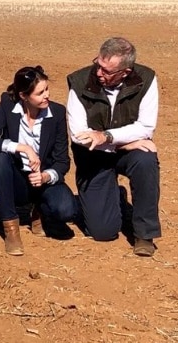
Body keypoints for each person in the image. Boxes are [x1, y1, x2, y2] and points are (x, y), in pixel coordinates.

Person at [66, 37, 161, 257]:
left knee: (145, 158)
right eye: (98, 65)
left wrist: (108, 137)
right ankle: (111, 197)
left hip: (120, 148)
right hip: (93, 157)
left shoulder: (146, 79)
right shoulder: (79, 82)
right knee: (103, 232)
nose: (99, 73)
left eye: (107, 71)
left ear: (125, 72)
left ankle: (144, 235)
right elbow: (80, 136)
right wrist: (123, 144)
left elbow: (146, 127)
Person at [0, 66, 79, 255]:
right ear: (24, 96)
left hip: (42, 182)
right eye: (40, 93)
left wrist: (46, 176)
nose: (46, 95)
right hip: (17, 179)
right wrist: (22, 147)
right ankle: (11, 229)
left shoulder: (56, 113)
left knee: (66, 211)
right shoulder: (8, 105)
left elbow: (62, 160)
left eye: (47, 89)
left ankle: (39, 211)